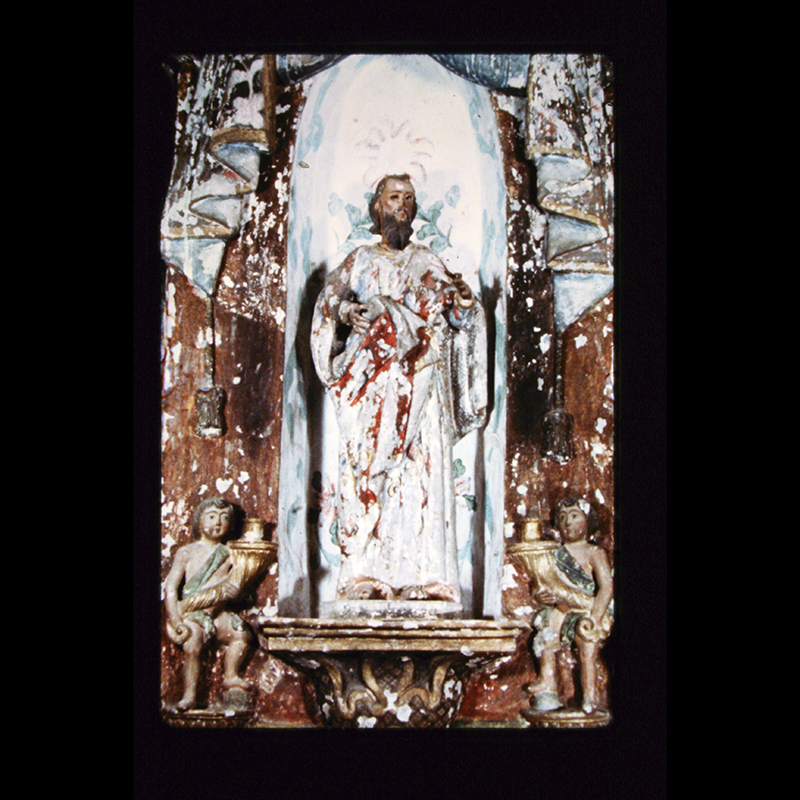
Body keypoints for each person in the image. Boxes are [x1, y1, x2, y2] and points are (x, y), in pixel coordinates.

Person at [310, 174, 487, 606]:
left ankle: (427, 576)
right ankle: (363, 572)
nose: (402, 205)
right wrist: (348, 311)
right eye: (394, 197)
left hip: (422, 379)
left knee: (422, 469)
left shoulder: (427, 260)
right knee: (366, 466)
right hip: (372, 382)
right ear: (378, 207)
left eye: (408, 198)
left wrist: (464, 302)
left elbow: (457, 320)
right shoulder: (360, 259)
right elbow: (328, 302)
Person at [525, 497, 613, 714]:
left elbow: (606, 588)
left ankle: (590, 698)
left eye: (574, 516)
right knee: (545, 630)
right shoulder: (554, 553)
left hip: (587, 610)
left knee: (586, 645)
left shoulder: (594, 552)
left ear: (588, 521)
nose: (567, 522)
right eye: (562, 517)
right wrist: (540, 596)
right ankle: (548, 683)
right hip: (561, 609)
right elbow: (541, 584)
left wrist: (596, 616)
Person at [164, 497, 253, 711]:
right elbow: (170, 589)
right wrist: (175, 619)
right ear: (199, 521)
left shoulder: (231, 554)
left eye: (224, 518)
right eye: (212, 517)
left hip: (219, 613)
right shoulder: (187, 552)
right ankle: (189, 696)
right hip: (194, 613)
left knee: (242, 635)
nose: (218, 522)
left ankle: (230, 675)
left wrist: (235, 593)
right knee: (193, 643)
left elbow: (238, 587)